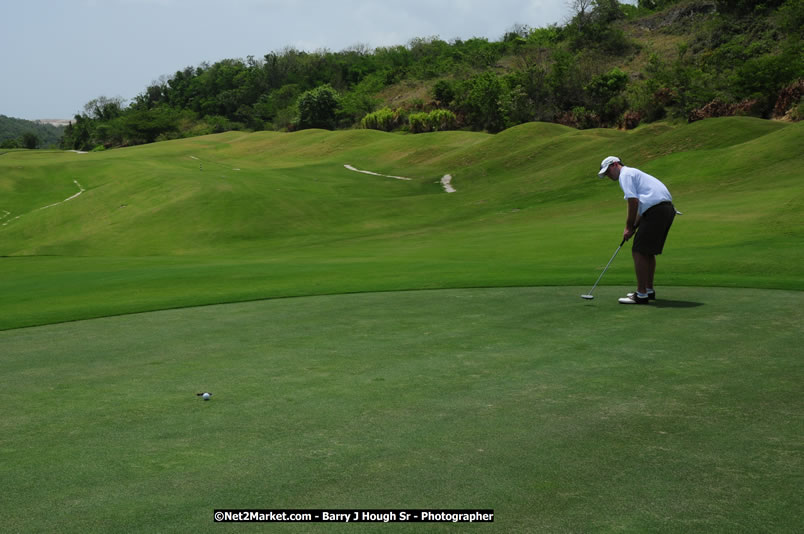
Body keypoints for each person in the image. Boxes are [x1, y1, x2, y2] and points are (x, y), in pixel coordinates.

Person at [598, 156, 676, 304]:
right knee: (647, 251)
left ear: (615, 164)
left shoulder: (625, 175)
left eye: (608, 172)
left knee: (638, 251)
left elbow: (633, 201)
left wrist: (628, 227)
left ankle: (641, 294)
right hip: (665, 210)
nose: (608, 176)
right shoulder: (634, 174)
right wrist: (634, 227)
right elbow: (641, 206)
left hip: (656, 211)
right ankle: (648, 290)